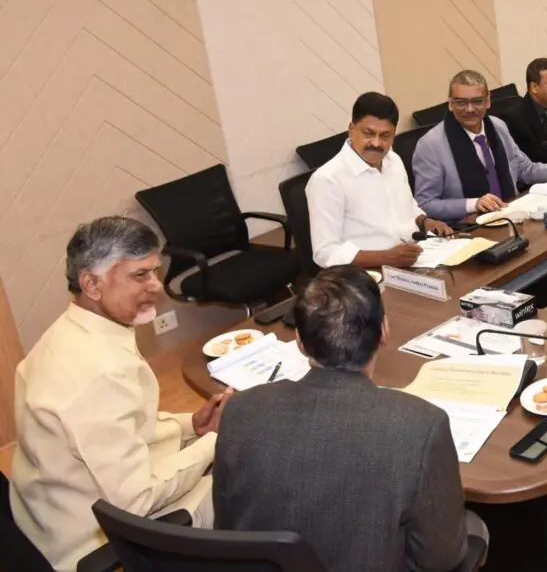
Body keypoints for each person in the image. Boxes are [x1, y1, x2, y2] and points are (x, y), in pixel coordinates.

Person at [213, 266, 488, 572]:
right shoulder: (422, 425)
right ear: (384, 331)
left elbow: (227, 531)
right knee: (475, 529)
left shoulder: (240, 410)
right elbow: (441, 559)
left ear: (300, 343)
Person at [11, 217, 232, 571]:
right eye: (139, 275)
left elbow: (125, 424)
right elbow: (137, 502)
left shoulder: (70, 333)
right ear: (91, 284)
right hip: (89, 536)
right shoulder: (95, 374)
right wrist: (215, 440)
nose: (157, 286)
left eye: (155, 272)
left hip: (49, 508)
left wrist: (191, 425)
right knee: (249, 479)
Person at [413, 69, 547, 221]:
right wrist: (473, 204)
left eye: (477, 101)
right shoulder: (431, 145)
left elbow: (527, 170)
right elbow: (425, 203)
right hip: (468, 228)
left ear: (488, 101)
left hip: (513, 215)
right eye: (461, 102)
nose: (469, 109)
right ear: (450, 103)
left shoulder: (497, 127)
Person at [307, 92, 452, 270]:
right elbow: (325, 253)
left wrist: (426, 222)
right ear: (351, 129)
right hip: (368, 275)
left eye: (385, 136)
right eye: (368, 133)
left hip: (417, 259)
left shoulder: (393, 160)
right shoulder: (328, 180)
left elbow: (407, 207)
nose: (376, 143)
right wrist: (386, 258)